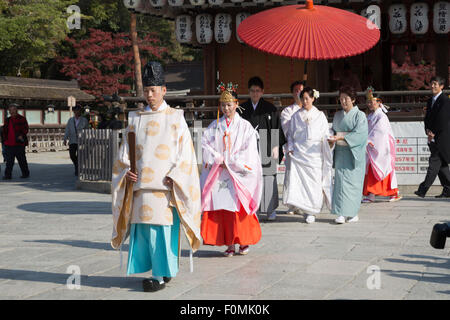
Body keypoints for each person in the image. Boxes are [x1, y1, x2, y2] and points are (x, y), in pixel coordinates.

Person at [111, 61, 202, 292]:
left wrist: (177, 175)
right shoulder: (135, 119)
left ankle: (160, 275)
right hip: (140, 185)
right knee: (143, 229)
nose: (149, 95)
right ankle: (161, 270)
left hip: (164, 185)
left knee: (161, 230)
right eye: (146, 90)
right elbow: (124, 154)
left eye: (154, 90)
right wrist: (126, 172)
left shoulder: (175, 117)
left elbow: (186, 153)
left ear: (164, 90)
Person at [200, 82, 263, 257]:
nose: (226, 108)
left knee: (238, 208)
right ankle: (228, 243)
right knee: (224, 209)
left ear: (236, 104)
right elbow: (205, 145)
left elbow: (249, 150)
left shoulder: (245, 127)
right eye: (223, 105)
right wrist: (217, 159)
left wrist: (231, 161)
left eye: (229, 104)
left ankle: (242, 241)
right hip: (219, 173)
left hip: (237, 173)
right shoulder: (214, 126)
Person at [283, 87, 333, 224]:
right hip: (300, 153)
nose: (304, 101)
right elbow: (290, 135)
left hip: (315, 153)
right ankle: (306, 209)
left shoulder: (320, 115)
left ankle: (313, 210)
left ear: (313, 98)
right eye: (302, 99)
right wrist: (291, 148)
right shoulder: (295, 116)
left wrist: (329, 141)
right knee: (302, 184)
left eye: (307, 98)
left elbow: (325, 133)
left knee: (315, 183)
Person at [241, 76, 285, 221]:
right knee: (250, 177)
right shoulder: (242, 108)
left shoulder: (269, 108)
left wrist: (276, 146)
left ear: (262, 92)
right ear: (249, 92)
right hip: (248, 146)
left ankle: (270, 209)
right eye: (252, 91)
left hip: (266, 142)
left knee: (268, 176)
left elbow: (276, 128)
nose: (255, 94)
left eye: (258, 91)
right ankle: (253, 208)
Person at [328, 86, 368, 224]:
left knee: (352, 184)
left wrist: (340, 137)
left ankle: (353, 213)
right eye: (341, 99)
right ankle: (341, 213)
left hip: (353, 154)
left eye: (346, 99)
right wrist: (331, 137)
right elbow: (333, 130)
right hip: (340, 153)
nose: (343, 101)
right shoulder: (338, 115)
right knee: (340, 183)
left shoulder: (360, 115)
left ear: (353, 99)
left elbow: (360, 135)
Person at [363, 88, 402, 203]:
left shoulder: (382, 117)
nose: (370, 104)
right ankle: (371, 194)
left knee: (384, 168)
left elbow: (380, 132)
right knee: (372, 168)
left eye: (372, 101)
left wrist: (369, 140)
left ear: (379, 102)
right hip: (373, 146)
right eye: (368, 102)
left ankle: (393, 193)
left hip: (382, 147)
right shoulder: (370, 116)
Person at [415, 76, 450, 198]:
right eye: (432, 84)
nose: (433, 86)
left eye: (435, 84)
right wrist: (427, 130)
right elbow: (427, 118)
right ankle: (448, 189)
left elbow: (443, 120)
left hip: (442, 138)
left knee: (434, 164)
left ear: (441, 86)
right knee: (442, 166)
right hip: (433, 136)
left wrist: (433, 132)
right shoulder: (430, 101)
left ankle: (422, 189)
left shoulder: (445, 101)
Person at [280, 81, 304, 215]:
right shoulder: (287, 111)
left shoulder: (312, 111)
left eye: (301, 90)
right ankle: (292, 204)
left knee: (304, 176)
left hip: (307, 150)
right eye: (296, 90)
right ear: (292, 93)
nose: (299, 93)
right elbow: (288, 131)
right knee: (291, 176)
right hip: (293, 148)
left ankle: (304, 203)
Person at [2, 103, 30, 180]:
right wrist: (4, 140)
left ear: (16, 110)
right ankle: (8, 175)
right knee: (9, 161)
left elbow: (26, 129)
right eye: (10, 110)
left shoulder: (22, 119)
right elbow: (4, 131)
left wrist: (21, 135)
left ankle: (25, 173)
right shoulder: (7, 120)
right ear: (9, 111)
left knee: (22, 160)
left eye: (13, 110)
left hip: (19, 143)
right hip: (9, 144)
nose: (12, 112)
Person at [63, 105, 89, 176]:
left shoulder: (84, 120)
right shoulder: (70, 120)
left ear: (80, 111)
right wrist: (65, 138)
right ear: (74, 111)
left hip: (82, 141)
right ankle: (77, 166)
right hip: (72, 140)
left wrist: (87, 139)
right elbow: (67, 129)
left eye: (78, 110)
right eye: (76, 110)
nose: (77, 112)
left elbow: (87, 130)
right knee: (72, 155)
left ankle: (78, 169)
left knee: (80, 155)